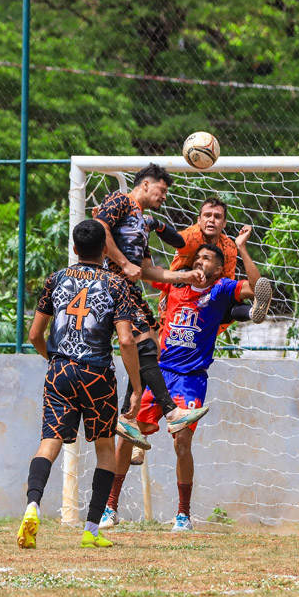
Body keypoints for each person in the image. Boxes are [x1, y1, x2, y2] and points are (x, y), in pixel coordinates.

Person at [101, 226, 271, 532]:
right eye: (198, 257)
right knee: (127, 434)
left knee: (182, 441)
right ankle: (110, 508)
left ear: (219, 269)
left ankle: (183, 514)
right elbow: (148, 272)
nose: (200, 261)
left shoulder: (221, 288)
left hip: (190, 377)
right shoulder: (175, 287)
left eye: (206, 258)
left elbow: (259, 287)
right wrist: (144, 234)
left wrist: (242, 249)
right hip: (159, 373)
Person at [16, 219, 143, 550]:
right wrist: (137, 387)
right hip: (98, 374)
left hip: (59, 371)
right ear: (105, 249)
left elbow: (33, 335)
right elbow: (127, 341)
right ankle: (91, 529)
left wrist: (56, 361)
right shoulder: (116, 285)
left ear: (74, 248)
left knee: (49, 443)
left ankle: (32, 506)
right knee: (103, 449)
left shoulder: (55, 280)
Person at [92, 163, 209, 446]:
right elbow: (99, 228)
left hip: (127, 287)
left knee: (150, 347)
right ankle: (170, 412)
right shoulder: (120, 200)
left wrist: (185, 275)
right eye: (162, 189)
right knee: (144, 345)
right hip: (109, 283)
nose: (165, 196)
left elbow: (146, 269)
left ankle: (127, 417)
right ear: (146, 184)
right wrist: (121, 262)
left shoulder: (142, 222)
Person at [167, 196, 270, 325]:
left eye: (217, 216)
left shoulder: (229, 247)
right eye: (207, 215)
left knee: (230, 291)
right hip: (178, 300)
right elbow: (173, 238)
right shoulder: (191, 236)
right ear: (199, 220)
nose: (211, 220)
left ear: (224, 223)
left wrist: (241, 246)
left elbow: (227, 286)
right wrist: (158, 226)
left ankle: (254, 311)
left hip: (207, 302)